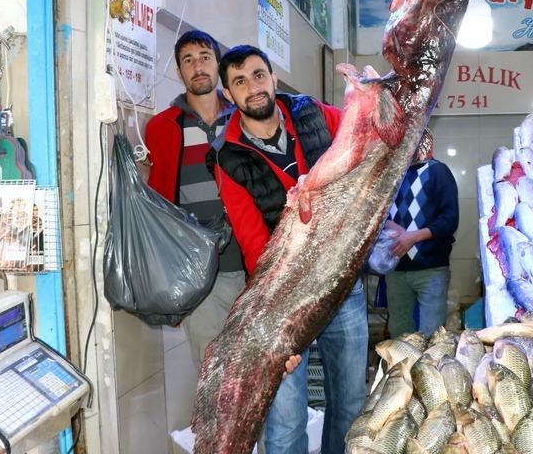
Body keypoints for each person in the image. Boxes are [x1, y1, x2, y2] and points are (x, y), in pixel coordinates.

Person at [212, 44, 368, 454]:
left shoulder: (312, 113)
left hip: (341, 285)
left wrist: (371, 98)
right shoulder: (228, 158)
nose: (253, 87)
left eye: (259, 75)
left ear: (274, 78)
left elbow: (363, 135)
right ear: (228, 95)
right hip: (280, 300)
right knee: (283, 423)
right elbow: (253, 245)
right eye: (240, 82)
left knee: (351, 405)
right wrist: (282, 326)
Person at [144, 31, 300, 377]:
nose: (197, 66)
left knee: (265, 371)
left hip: (255, 266)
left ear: (218, 66)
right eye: (188, 60)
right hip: (200, 277)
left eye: (204, 57)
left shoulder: (246, 117)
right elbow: (157, 209)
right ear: (179, 71)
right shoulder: (162, 128)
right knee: (214, 374)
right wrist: (171, 286)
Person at [385, 134, 459, 338]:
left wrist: (413, 237)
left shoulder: (438, 172)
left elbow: (450, 220)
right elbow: (378, 214)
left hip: (431, 269)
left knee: (432, 335)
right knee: (399, 334)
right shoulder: (394, 174)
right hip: (396, 269)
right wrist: (389, 224)